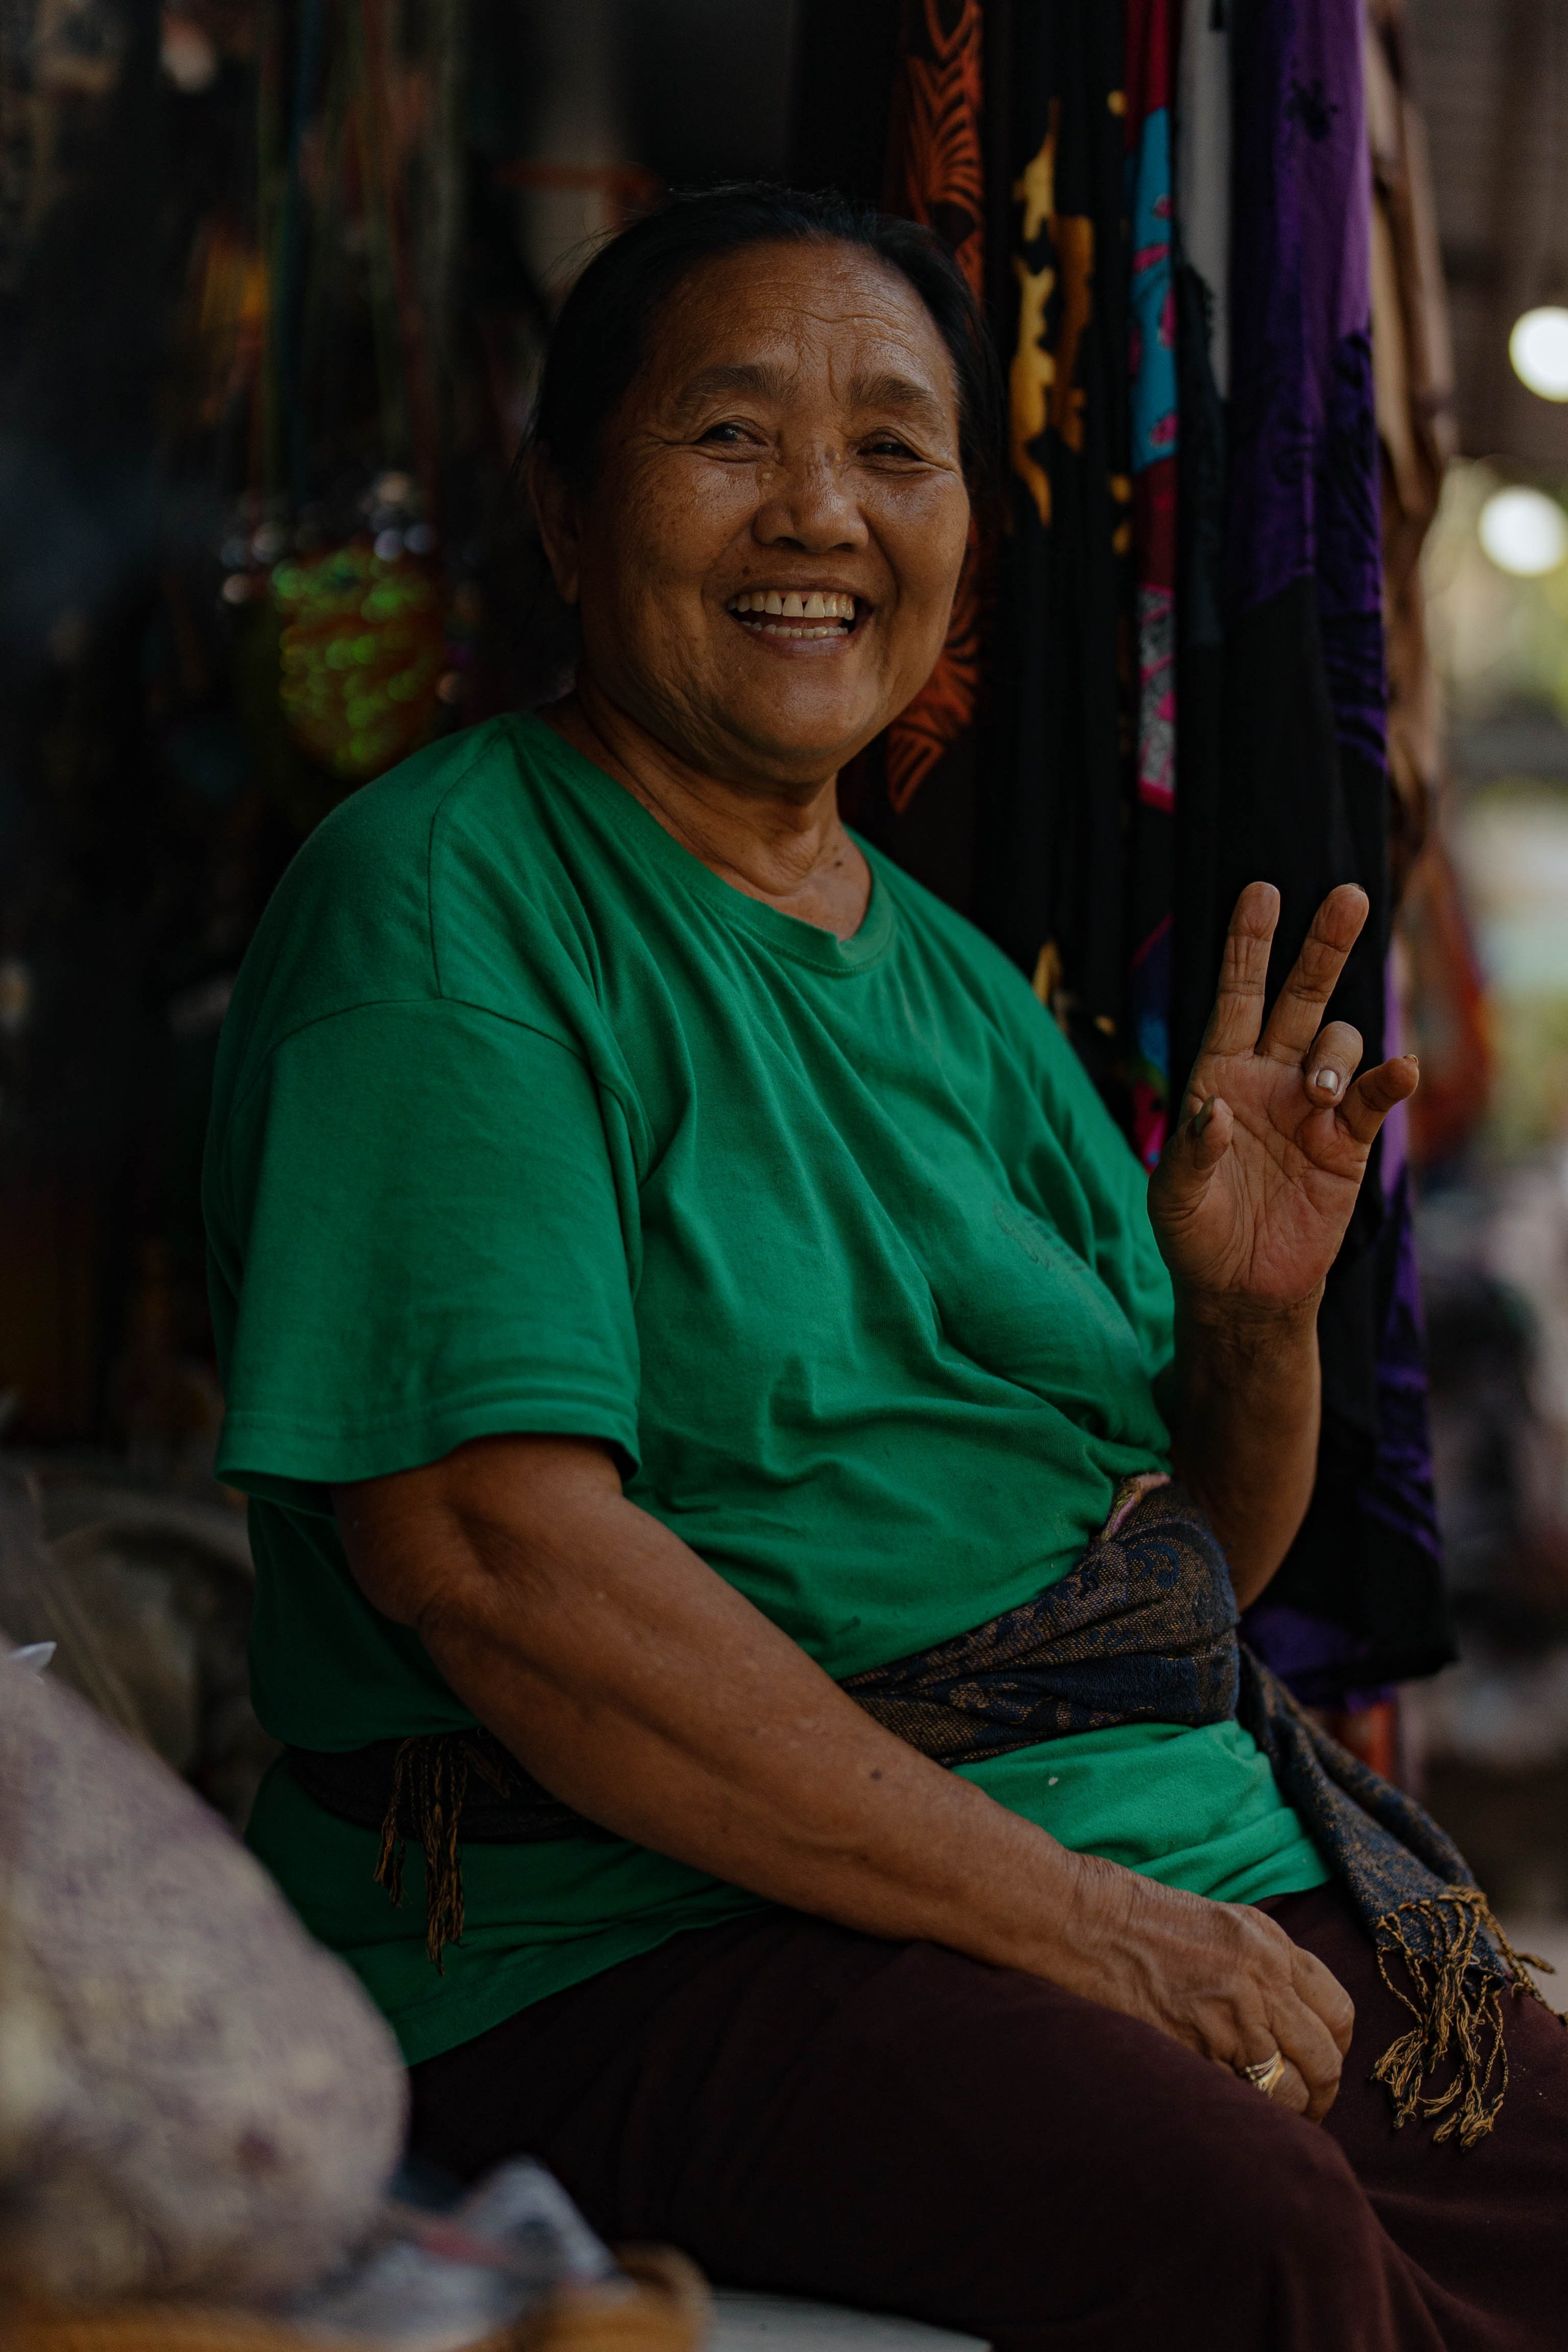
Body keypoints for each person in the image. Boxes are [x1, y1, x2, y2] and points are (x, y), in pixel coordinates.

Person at [206, 188, 1567, 2352]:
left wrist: (1245, 1326)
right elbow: (491, 1554)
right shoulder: (450, 909)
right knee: (1249, 2248)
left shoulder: (949, 982)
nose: (820, 509)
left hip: (1109, 1850)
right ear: (563, 515)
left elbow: (1168, 1568)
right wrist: (1102, 1934)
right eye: (731, 436)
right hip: (625, 1930)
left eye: (896, 445)